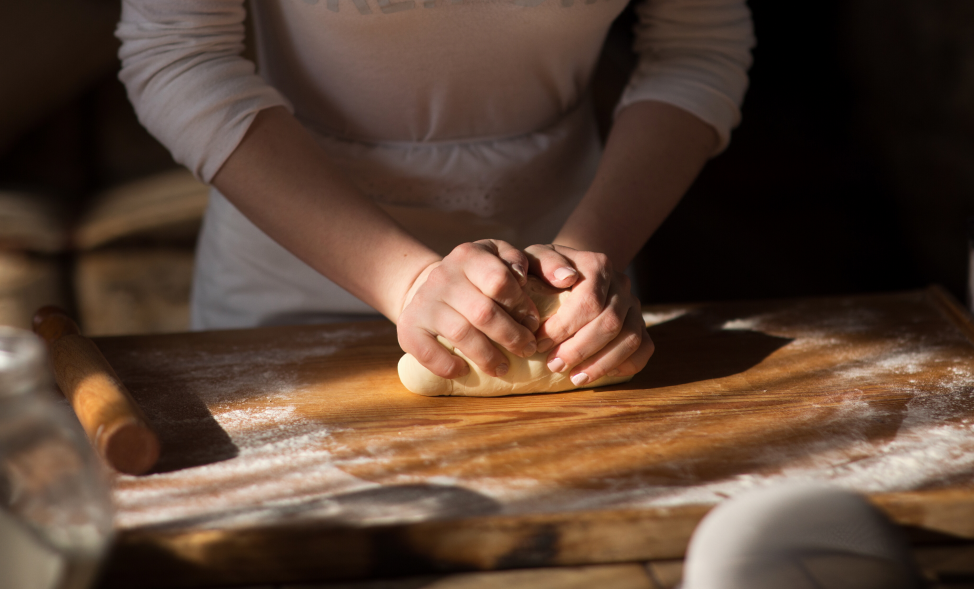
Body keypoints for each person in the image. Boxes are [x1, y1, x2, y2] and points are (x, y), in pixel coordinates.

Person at [116, 0, 753, 387]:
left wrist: (582, 257)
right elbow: (176, 53)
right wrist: (409, 282)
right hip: (293, 282)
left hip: (565, 299)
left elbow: (696, 45)